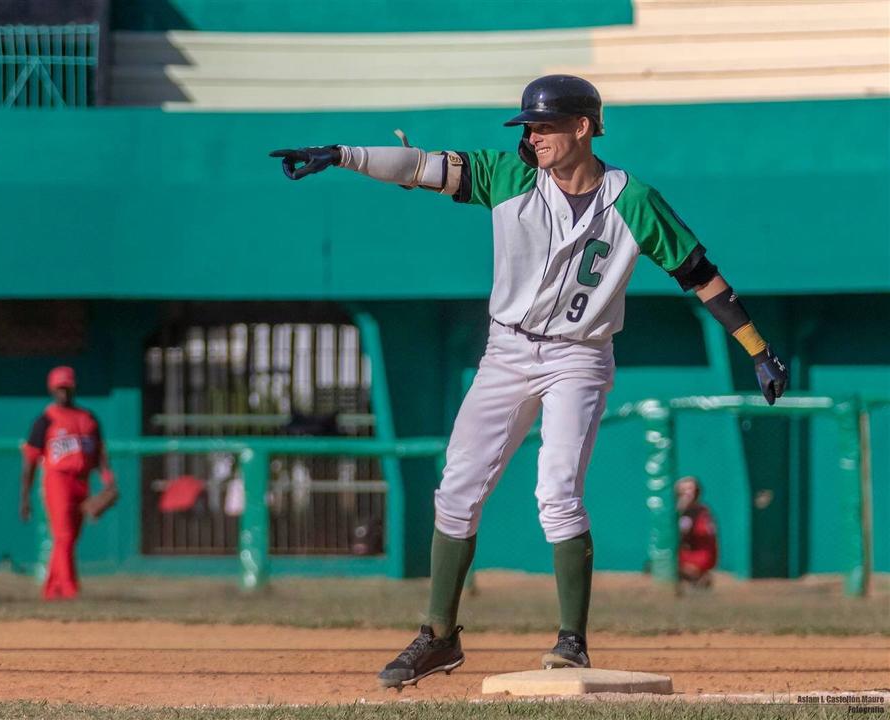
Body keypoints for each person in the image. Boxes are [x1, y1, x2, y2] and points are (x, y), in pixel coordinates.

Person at [271, 74, 789, 688]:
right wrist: (343, 155)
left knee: (556, 492)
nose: (533, 136)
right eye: (529, 127)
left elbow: (700, 274)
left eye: (543, 126)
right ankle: (438, 636)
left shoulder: (633, 201)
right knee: (457, 487)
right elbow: (419, 165)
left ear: (582, 127)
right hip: (507, 350)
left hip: (580, 356)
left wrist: (757, 348)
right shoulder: (509, 175)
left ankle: (572, 642)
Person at [20, 366, 115, 600]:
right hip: (57, 480)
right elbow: (30, 461)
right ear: (52, 389)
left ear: (74, 387)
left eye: (67, 387)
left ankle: (52, 590)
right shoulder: (45, 421)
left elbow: (100, 454)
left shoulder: (88, 418)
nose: (63, 392)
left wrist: (108, 480)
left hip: (82, 481)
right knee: (62, 536)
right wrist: (25, 496)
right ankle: (72, 590)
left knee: (70, 538)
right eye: (59, 388)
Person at [676, 476, 718, 588]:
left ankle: (695, 576)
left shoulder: (696, 512)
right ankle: (696, 577)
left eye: (691, 490)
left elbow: (682, 534)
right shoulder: (700, 510)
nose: (688, 493)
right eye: (684, 490)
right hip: (701, 555)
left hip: (699, 556)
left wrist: (681, 509)